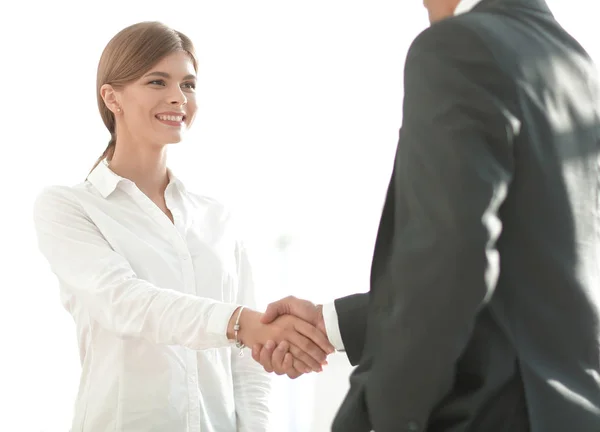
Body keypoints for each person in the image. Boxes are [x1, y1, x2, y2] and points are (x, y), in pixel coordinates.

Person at [253, 0, 600, 431]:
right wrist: (332, 323)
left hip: (486, 413)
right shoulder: (573, 61)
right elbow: (533, 272)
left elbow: (452, 256)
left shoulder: (459, 46)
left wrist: (389, 417)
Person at [33, 21, 333, 432]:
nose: (178, 97)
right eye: (158, 81)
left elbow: (245, 363)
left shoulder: (217, 218)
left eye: (188, 85)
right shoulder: (69, 207)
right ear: (112, 97)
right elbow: (125, 303)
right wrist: (244, 323)